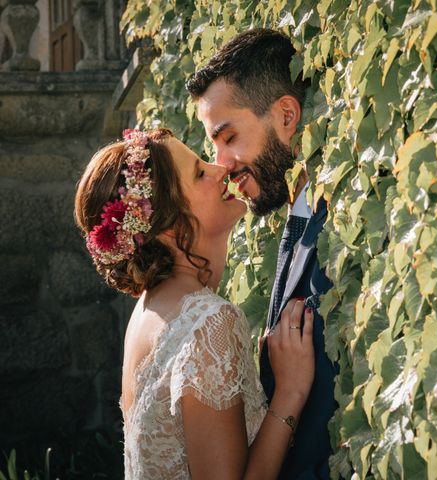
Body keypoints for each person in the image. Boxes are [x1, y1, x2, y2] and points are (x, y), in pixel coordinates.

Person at [74, 128, 316, 479]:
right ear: (170, 227)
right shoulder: (207, 322)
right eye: (201, 172)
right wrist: (290, 392)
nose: (220, 168)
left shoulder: (147, 312)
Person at [186, 29, 337, 479]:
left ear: (287, 114)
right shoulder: (297, 212)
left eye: (227, 137)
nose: (221, 164)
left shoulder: (341, 223)